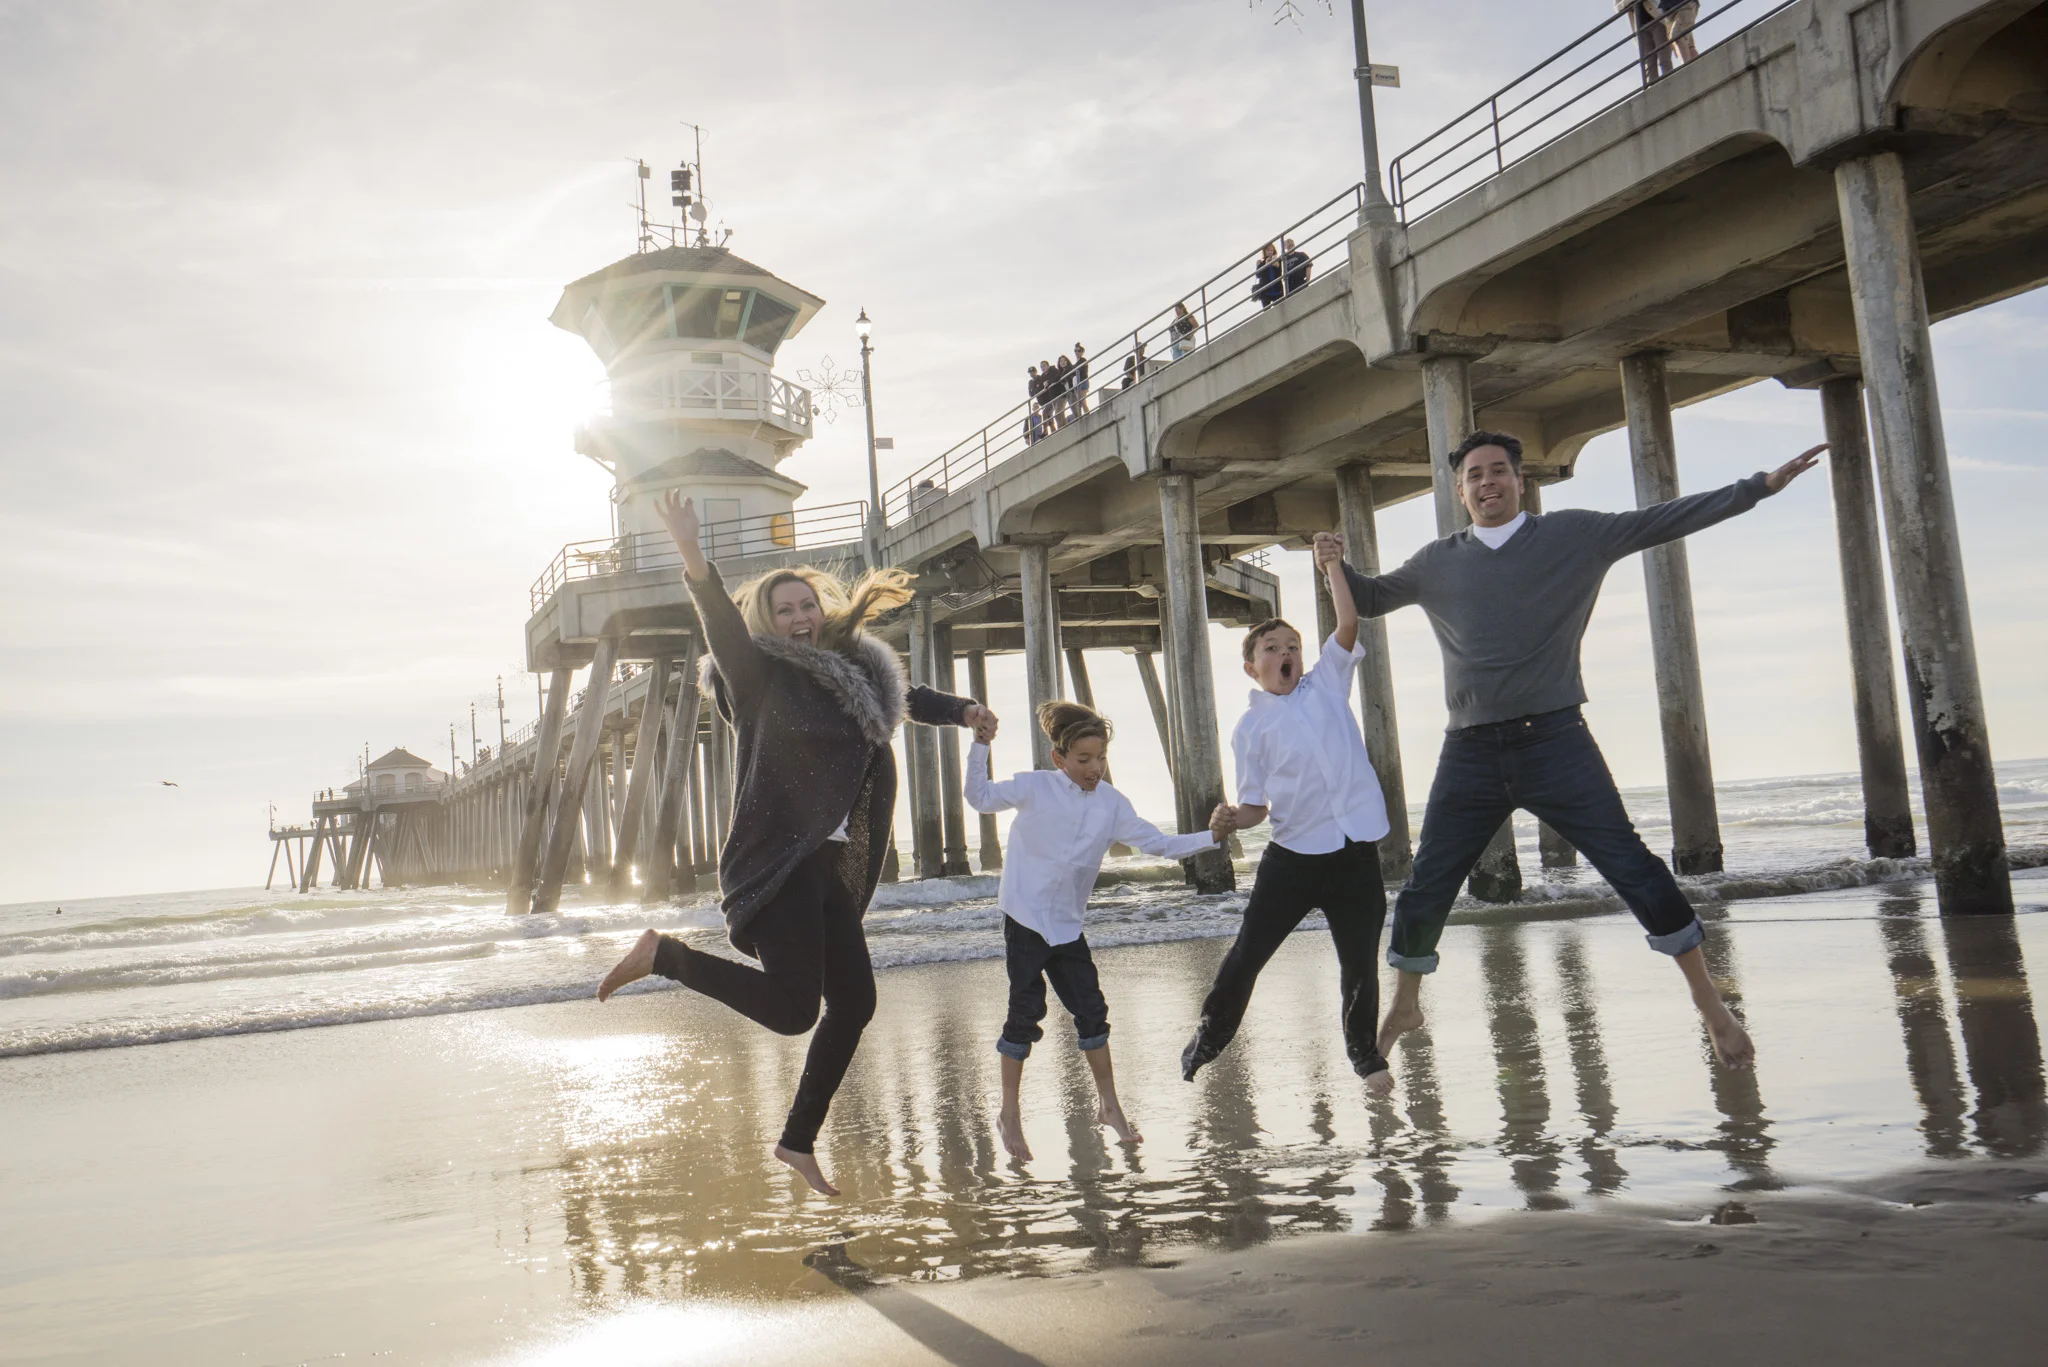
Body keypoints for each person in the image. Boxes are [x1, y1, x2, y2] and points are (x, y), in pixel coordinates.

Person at [1328, 430, 1824, 1074]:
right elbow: (1369, 599)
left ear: (1520, 481)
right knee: (1427, 884)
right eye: (1474, 475)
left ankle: (1709, 1002)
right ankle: (1405, 1004)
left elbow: (1662, 521)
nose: (1487, 482)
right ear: (1459, 490)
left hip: (1556, 740)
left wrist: (1756, 488)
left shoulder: (1575, 535)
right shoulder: (1436, 561)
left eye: (1498, 471)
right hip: (1470, 749)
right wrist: (1332, 564)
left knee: (1633, 865)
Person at [596, 491, 994, 1197]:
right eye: (784, 610)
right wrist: (691, 553)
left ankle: (798, 1141)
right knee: (793, 1011)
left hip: (829, 871)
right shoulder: (757, 676)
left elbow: (904, 697)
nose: (800, 617)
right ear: (766, 621)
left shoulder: (852, 675)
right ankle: (665, 956)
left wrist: (963, 711)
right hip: (780, 866)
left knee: (855, 1002)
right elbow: (720, 625)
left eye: (807, 605)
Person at [966, 701, 1228, 1159]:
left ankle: (1110, 1106)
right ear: (1060, 758)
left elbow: (1160, 844)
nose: (1094, 768)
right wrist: (979, 746)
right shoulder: (1035, 787)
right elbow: (980, 797)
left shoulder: (1112, 804)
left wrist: (1213, 836)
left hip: (1068, 925)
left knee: (1092, 1011)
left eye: (1101, 758)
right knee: (1024, 1012)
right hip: (1025, 918)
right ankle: (1009, 1113)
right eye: (1083, 759)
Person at [1184, 538, 1394, 1095]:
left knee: (1359, 964)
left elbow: (1347, 622)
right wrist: (1231, 817)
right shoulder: (1251, 728)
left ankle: (1365, 1057)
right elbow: (1256, 807)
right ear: (1251, 666)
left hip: (1354, 851)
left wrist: (1332, 568)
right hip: (1293, 860)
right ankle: (1209, 1037)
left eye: (1293, 646)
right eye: (1273, 648)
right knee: (1247, 956)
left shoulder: (1327, 684)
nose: (1287, 654)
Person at [1658, 0, 1699, 65]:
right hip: (1672, 11)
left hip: (1683, 6)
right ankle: (1696, 66)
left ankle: (1687, 67)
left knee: (1677, 36)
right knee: (1688, 44)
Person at [1253, 243, 1283, 308]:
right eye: (1268, 250)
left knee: (1280, 310)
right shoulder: (1261, 262)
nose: (1270, 252)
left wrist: (1277, 266)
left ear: (1274, 251)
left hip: (1277, 291)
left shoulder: (1278, 261)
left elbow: (1280, 274)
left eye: (1271, 250)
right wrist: (1265, 265)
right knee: (1267, 311)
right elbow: (1258, 275)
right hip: (1265, 293)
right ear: (1265, 252)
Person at [1069, 343, 1090, 422]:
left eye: (1079, 351)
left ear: (1082, 352)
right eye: (1075, 351)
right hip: (1077, 383)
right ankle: (1083, 415)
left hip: (1083, 382)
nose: (1077, 352)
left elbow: (1081, 371)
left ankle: (1087, 414)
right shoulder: (1075, 364)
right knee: (1080, 401)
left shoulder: (1083, 360)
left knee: (1082, 400)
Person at [1026, 365, 1045, 444]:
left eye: (1033, 372)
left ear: (1036, 372)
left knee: (1047, 415)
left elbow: (1041, 388)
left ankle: (1046, 433)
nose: (1032, 374)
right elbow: (1031, 394)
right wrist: (1027, 437)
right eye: (1030, 373)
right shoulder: (1030, 382)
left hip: (1045, 398)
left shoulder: (1040, 378)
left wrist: (1036, 389)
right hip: (1040, 400)